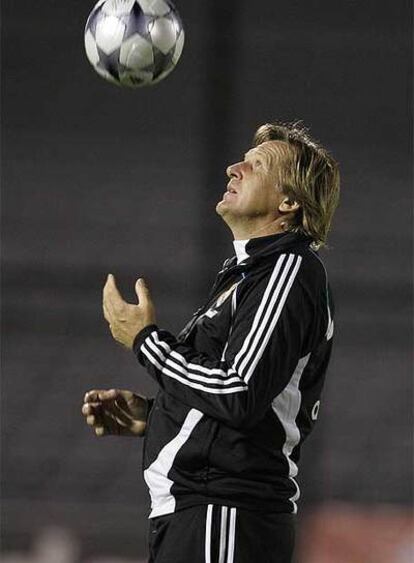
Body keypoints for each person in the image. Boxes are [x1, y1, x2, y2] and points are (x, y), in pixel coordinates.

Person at [81, 121, 340, 563]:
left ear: (289, 202)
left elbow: (238, 391)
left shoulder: (287, 270)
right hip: (198, 513)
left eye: (256, 166)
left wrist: (145, 340)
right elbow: (241, 395)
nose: (233, 168)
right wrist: (158, 412)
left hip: (226, 512)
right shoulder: (248, 275)